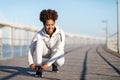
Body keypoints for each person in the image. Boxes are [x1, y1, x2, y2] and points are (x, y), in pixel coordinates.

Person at [27, 9, 65, 77]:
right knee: (39, 41)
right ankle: (39, 69)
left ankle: (54, 65)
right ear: (44, 25)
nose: (50, 27)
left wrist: (48, 64)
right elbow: (31, 49)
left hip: (56, 52)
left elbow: (59, 51)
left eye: (52, 24)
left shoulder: (60, 33)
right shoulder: (39, 34)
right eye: (47, 25)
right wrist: (31, 63)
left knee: (60, 62)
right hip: (46, 52)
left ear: (54, 24)